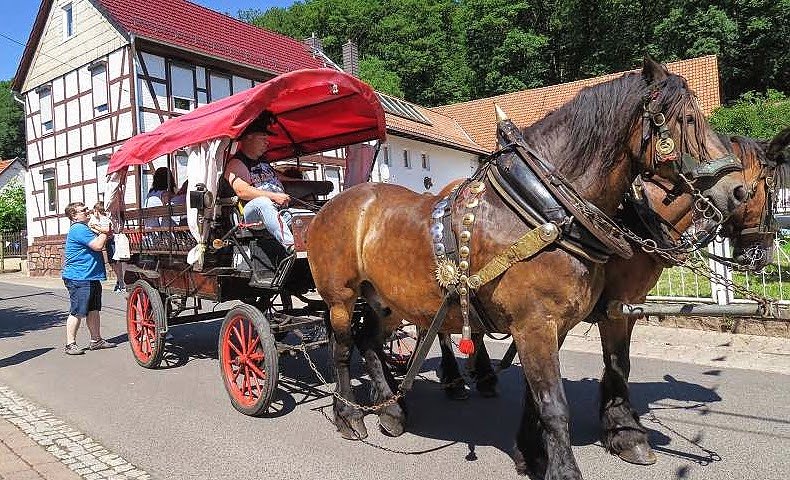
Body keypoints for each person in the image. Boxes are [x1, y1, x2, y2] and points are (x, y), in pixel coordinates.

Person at [223, 113, 294, 249]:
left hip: (278, 211)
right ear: (249, 137)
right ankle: (291, 246)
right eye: (263, 138)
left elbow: (279, 177)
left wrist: (307, 183)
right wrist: (274, 196)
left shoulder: (263, 162)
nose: (267, 142)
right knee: (263, 203)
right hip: (252, 214)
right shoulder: (236, 164)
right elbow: (242, 191)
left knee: (308, 215)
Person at [62, 202, 117, 355]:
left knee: (93, 310)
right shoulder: (79, 229)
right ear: (74, 215)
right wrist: (105, 231)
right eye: (83, 210)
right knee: (78, 311)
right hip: (79, 277)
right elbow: (98, 245)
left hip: (89, 276)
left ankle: (96, 340)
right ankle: (70, 344)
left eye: (87, 209)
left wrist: (101, 230)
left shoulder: (85, 228)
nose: (88, 211)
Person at [89, 202, 124, 292]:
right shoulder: (100, 219)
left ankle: (120, 281)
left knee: (115, 262)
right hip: (108, 241)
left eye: (94, 211)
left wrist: (95, 227)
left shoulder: (104, 218)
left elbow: (106, 230)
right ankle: (119, 281)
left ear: (97, 211)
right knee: (113, 262)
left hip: (112, 241)